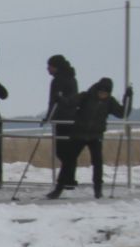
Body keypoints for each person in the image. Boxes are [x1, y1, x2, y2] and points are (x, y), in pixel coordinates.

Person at [49, 76, 133, 199]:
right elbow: (70, 103)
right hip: (78, 134)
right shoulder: (85, 96)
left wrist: (128, 98)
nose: (103, 95)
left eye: (105, 93)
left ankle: (98, 190)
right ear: (97, 89)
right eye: (101, 92)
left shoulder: (110, 101)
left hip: (95, 136)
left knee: (97, 163)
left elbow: (122, 113)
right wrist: (60, 98)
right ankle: (58, 189)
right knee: (68, 161)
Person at [43, 53, 82, 191]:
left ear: (56, 67)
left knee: (62, 152)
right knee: (68, 151)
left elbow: (54, 101)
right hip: (71, 118)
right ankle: (69, 179)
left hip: (62, 118)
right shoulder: (72, 78)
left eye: (50, 66)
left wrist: (49, 117)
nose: (48, 69)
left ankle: (68, 179)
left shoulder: (58, 80)